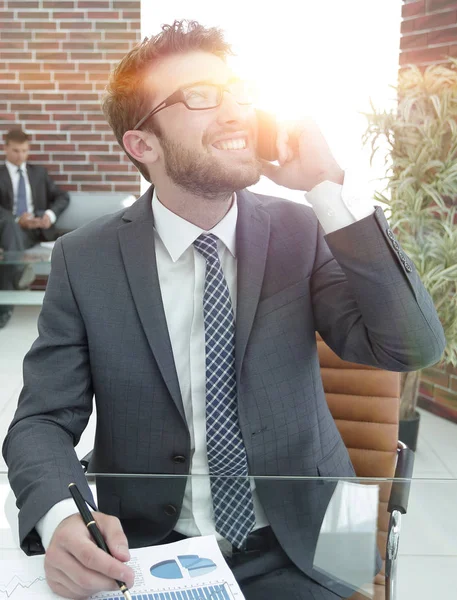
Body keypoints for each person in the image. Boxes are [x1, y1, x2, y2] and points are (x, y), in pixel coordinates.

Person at [3, 20, 445, 600]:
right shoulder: (85, 259)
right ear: (143, 144)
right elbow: (39, 421)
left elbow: (412, 347)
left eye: (238, 92)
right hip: (149, 544)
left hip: (324, 527)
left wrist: (326, 189)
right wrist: (60, 517)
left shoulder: (304, 228)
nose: (236, 112)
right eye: (202, 97)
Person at [0, 128, 70, 328]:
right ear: (5, 148)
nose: (20, 155)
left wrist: (49, 215)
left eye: (24, 150)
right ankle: (7, 304)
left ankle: (18, 275)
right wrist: (16, 219)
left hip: (35, 231)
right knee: (10, 227)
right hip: (7, 229)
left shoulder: (38, 173)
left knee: (13, 236)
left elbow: (62, 197)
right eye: (15, 151)